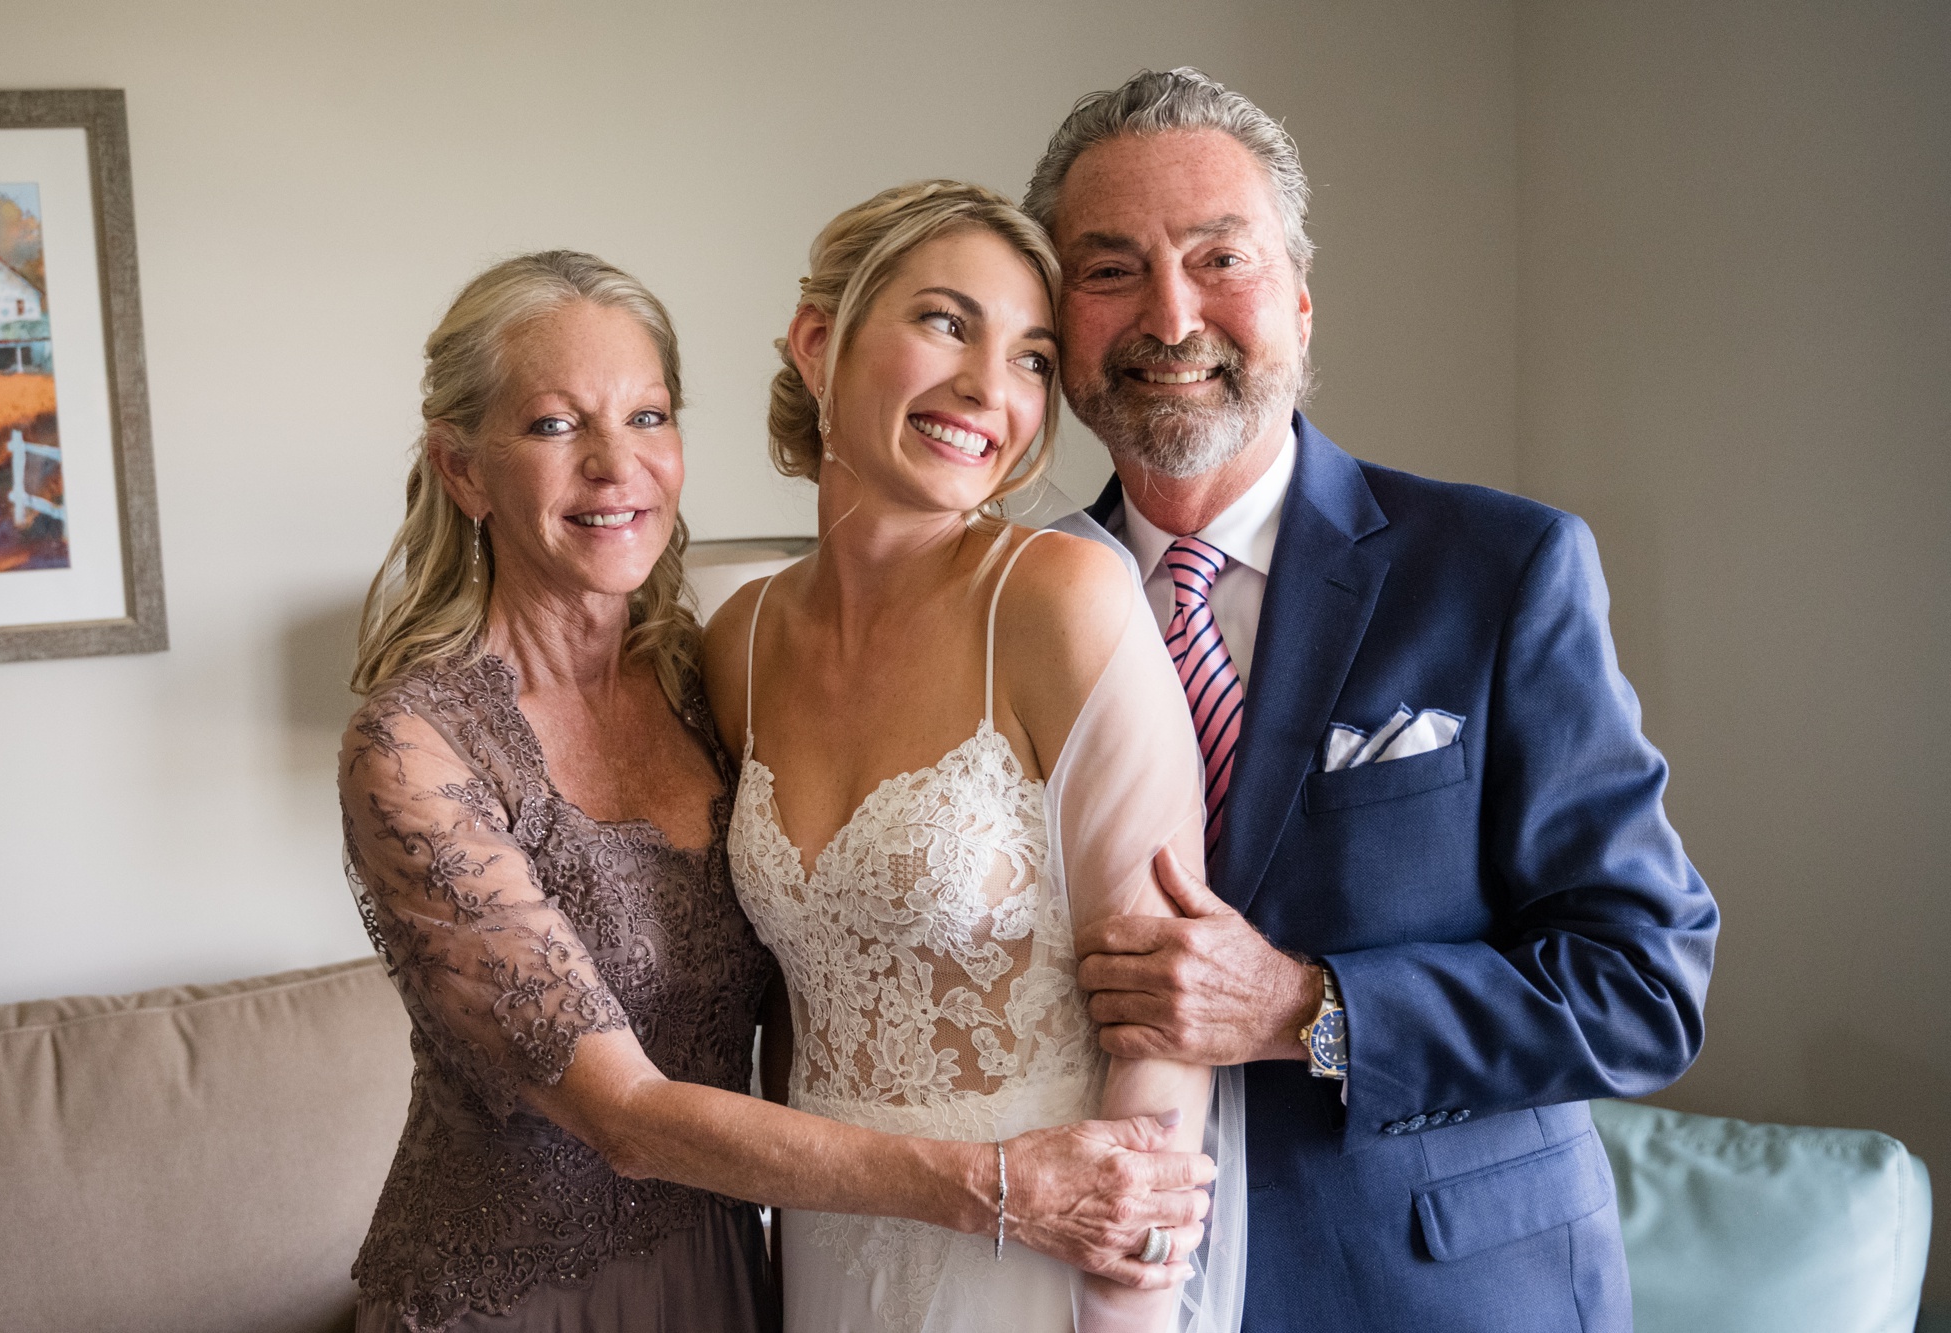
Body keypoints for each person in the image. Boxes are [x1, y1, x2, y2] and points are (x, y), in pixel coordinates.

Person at [338, 250, 1214, 1333]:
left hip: (732, 1279)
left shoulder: (702, 679)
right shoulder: (413, 745)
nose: (618, 467)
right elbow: (625, 1114)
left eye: (649, 416)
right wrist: (997, 1187)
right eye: (555, 427)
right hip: (517, 1293)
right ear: (463, 470)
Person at [1032, 70, 1721, 1331]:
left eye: (1216, 257)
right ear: (1056, 321)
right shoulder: (1010, 611)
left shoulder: (1502, 569)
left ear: (1297, 298)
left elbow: (1644, 981)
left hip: (1439, 1290)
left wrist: (1308, 1008)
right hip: (1090, 1293)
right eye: (1109, 268)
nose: (1170, 314)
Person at [705, 180, 1243, 1333]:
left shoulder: (1060, 598)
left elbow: (1159, 1016)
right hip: (830, 1250)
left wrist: (1123, 1307)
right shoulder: (735, 641)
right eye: (946, 322)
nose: (988, 389)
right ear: (817, 340)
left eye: (1034, 357)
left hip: (1042, 1263)